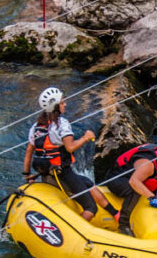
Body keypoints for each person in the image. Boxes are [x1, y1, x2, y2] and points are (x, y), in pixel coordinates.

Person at [22, 87, 117, 223]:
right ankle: (76, 234)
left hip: (45, 171)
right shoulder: (62, 124)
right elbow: (70, 147)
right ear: (55, 106)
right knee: (90, 208)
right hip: (62, 173)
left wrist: (27, 175)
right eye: (62, 102)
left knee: (87, 182)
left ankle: (115, 213)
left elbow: (28, 152)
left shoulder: (36, 127)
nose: (65, 104)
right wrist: (85, 137)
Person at [103, 142, 157, 237]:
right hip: (118, 179)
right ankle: (123, 225)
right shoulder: (147, 165)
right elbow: (134, 182)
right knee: (135, 191)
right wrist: (151, 197)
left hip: (140, 177)